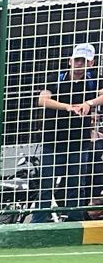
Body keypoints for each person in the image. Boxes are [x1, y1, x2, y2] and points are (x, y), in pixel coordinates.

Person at [34, 43, 101, 222]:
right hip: (52, 140)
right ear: (70, 61)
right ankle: (38, 221)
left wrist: (89, 103)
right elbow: (42, 100)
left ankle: (75, 221)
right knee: (46, 183)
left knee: (76, 184)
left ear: (91, 63)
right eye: (77, 60)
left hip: (79, 141)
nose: (80, 64)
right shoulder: (56, 78)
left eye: (84, 61)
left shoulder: (93, 79)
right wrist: (67, 107)